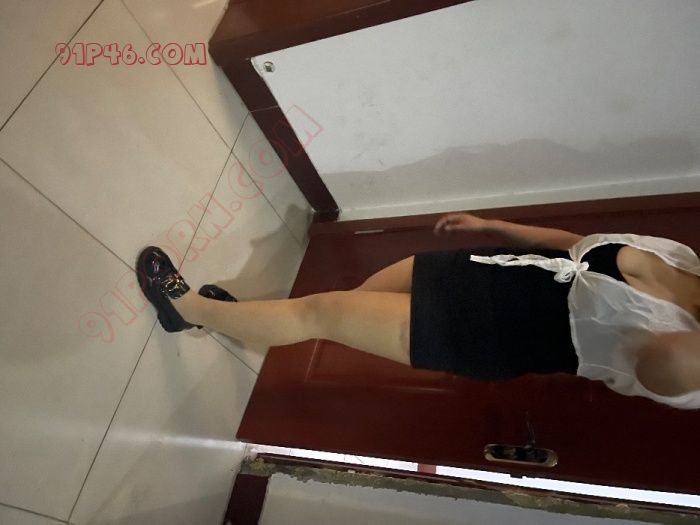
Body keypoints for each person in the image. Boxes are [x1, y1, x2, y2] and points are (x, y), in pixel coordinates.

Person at [136, 212, 700, 409]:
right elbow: (580, 245)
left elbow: (664, 366)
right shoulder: (686, 259)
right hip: (482, 271)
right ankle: (223, 319)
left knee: (321, 313)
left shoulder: (691, 373)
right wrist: (493, 226)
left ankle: (185, 307)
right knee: (346, 305)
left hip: (486, 332)